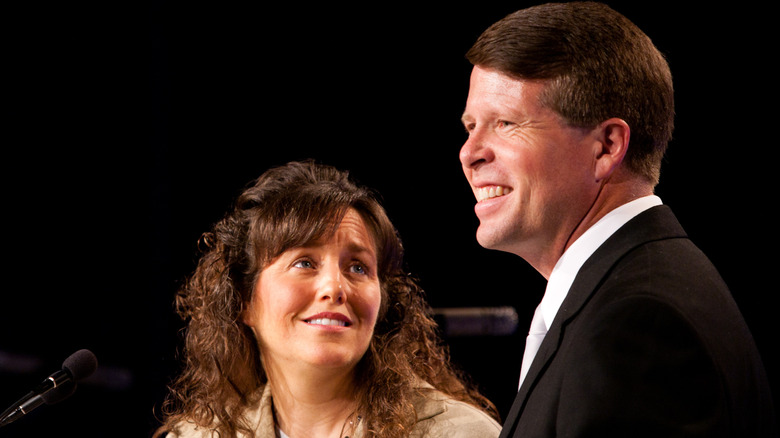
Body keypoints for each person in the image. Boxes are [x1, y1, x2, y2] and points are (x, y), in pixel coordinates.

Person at [458, 2, 776, 437]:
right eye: (470, 126)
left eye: (506, 123)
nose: (470, 153)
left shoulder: (638, 326)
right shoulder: (627, 294)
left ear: (607, 147)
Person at [154, 160, 501, 438]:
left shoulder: (459, 433)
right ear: (243, 300)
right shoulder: (196, 436)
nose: (335, 287)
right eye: (304, 263)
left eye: (358, 268)